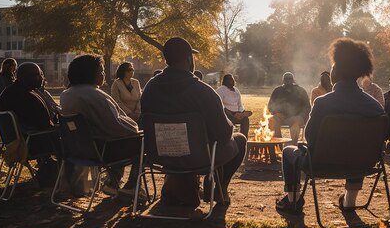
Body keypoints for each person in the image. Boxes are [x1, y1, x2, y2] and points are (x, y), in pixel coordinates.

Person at [276, 38, 385, 214]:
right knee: (357, 147)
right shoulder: (374, 106)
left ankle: (293, 200)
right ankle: (350, 202)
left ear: (336, 73)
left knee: (289, 151)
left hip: (321, 163)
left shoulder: (323, 103)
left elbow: (310, 138)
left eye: (333, 66)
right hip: (363, 163)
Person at [141, 37, 246, 207]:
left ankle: (177, 184)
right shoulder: (203, 92)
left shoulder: (150, 88)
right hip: (197, 158)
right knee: (239, 140)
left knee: (194, 143)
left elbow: (143, 122)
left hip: (159, 156)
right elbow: (224, 134)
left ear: (166, 60)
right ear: (189, 59)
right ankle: (219, 190)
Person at [60, 55, 141, 196]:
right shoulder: (96, 95)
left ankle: (113, 181)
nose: (103, 74)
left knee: (122, 139)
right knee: (142, 143)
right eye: (101, 71)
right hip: (102, 151)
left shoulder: (66, 94)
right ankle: (131, 185)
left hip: (79, 150)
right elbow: (116, 126)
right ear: (91, 74)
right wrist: (135, 128)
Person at [0, 62, 58, 186]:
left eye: (41, 74)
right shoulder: (26, 96)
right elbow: (44, 125)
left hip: (15, 141)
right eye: (37, 75)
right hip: (31, 144)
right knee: (70, 139)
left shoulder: (10, 91)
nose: (42, 77)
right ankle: (67, 178)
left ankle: (51, 171)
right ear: (25, 77)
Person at [268, 72, 310, 145]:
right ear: (283, 81)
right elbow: (270, 106)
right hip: (282, 117)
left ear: (293, 80)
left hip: (296, 118)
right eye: (286, 79)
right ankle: (278, 143)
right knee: (273, 120)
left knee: (296, 124)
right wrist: (276, 112)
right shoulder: (277, 91)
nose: (288, 81)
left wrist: (300, 116)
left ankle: (292, 145)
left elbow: (307, 107)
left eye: (290, 79)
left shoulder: (301, 91)